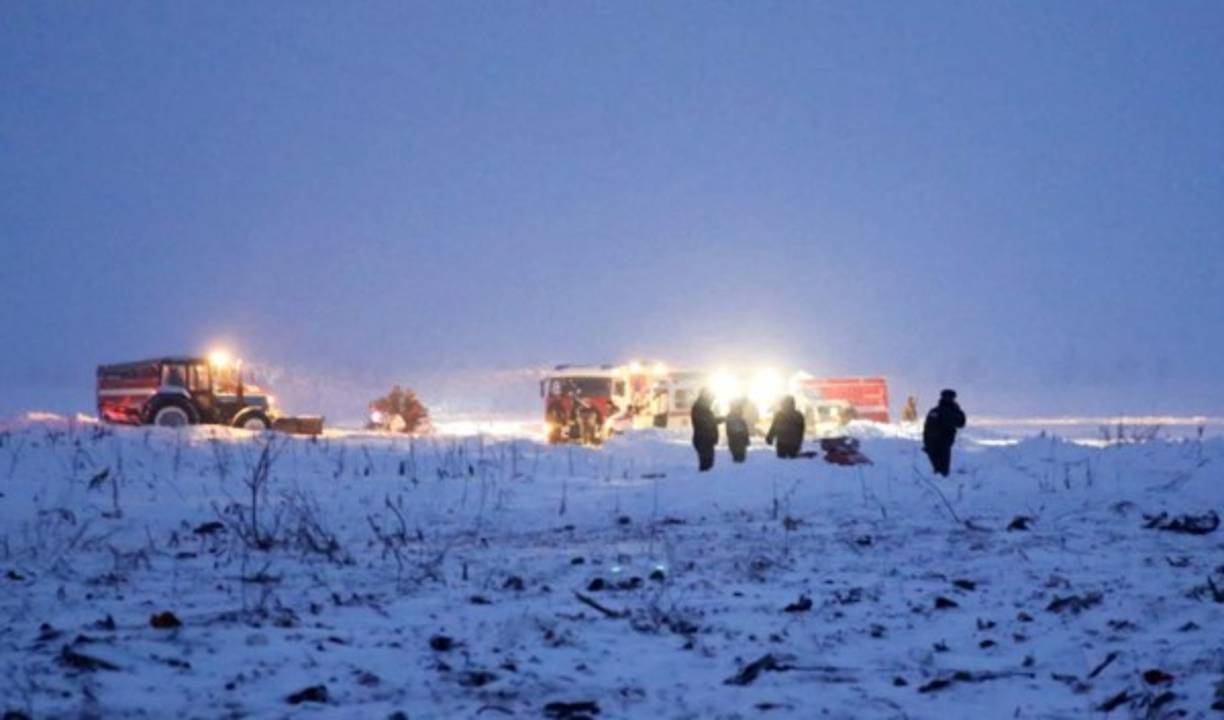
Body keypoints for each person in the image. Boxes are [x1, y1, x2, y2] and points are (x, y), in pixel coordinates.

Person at [923, 389, 967, 476]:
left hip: (931, 443)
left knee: (937, 469)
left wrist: (926, 442)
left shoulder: (934, 411)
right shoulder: (950, 412)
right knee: (943, 471)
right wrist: (958, 410)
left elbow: (926, 427)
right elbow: (961, 423)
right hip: (943, 443)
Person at [690, 388, 721, 471]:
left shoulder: (704, 407)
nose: (712, 401)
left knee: (708, 465)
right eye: (711, 398)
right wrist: (719, 420)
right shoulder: (700, 407)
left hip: (706, 440)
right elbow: (707, 421)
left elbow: (710, 420)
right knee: (706, 466)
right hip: (703, 440)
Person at [725, 399, 750, 463]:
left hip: (737, 443)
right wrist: (746, 439)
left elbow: (744, 430)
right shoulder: (733, 417)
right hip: (737, 442)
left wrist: (746, 439)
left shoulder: (736, 417)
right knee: (739, 460)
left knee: (739, 460)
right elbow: (740, 430)